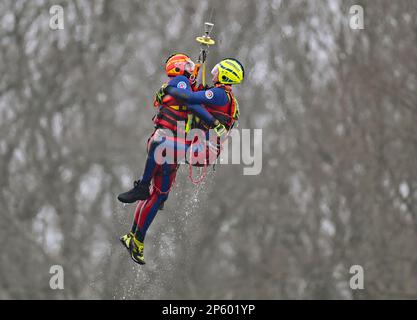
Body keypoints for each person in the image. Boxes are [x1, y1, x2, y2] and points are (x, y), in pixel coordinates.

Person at [117, 55, 244, 265]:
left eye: (217, 70)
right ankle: (135, 239)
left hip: (203, 149)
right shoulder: (220, 95)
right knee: (158, 194)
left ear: (225, 74)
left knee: (159, 145)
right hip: (195, 144)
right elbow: (196, 100)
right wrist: (190, 80)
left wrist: (170, 89)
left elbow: (190, 99)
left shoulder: (221, 94)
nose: (213, 72)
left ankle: (142, 186)